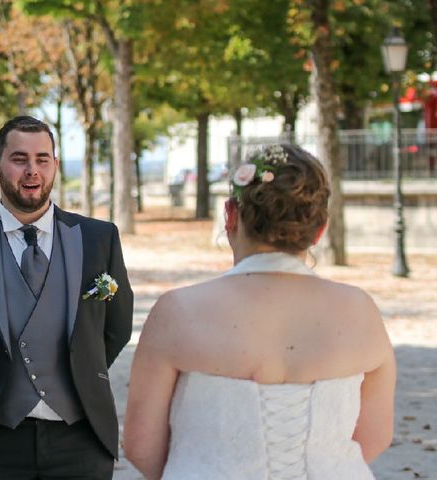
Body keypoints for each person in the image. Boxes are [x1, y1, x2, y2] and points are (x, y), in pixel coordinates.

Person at [123, 144, 395, 479]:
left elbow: (140, 446)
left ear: (231, 215)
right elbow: (376, 437)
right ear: (320, 229)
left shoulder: (178, 311)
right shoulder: (360, 311)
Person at [0, 115, 133, 479]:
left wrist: (78, 374)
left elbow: (117, 327)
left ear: (55, 166)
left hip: (81, 440)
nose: (32, 170)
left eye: (42, 159)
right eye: (19, 159)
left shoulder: (99, 238)